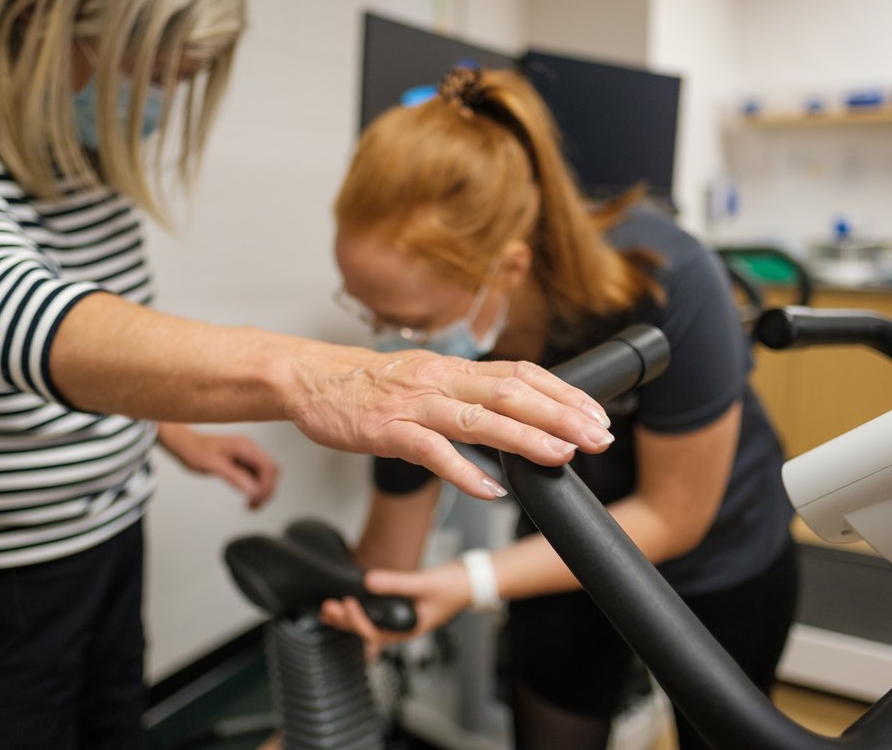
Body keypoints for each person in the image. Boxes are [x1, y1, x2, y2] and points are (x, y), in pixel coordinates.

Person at [0, 0, 614, 748]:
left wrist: (170, 428)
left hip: (107, 535)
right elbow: (11, 313)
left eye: (177, 82)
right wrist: (312, 373)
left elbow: (99, 321)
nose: (157, 102)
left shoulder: (70, 143)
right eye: (148, 73)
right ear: (43, 15)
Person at [320, 67, 798, 750]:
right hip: (563, 552)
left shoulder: (667, 278)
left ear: (507, 270)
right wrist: (327, 684)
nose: (387, 340)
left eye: (406, 318)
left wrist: (471, 579)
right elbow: (387, 560)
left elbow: (675, 514)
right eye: (365, 309)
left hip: (719, 552)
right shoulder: (431, 351)